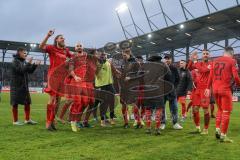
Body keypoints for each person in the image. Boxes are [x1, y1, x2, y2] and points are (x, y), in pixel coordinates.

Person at [205, 47, 240, 143]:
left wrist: (208, 88)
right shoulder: (232, 61)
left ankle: (217, 129)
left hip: (215, 90)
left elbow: (211, 75)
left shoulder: (214, 61)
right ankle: (223, 135)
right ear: (231, 53)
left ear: (223, 52)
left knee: (220, 110)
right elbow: (236, 76)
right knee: (226, 112)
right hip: (225, 89)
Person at [39, 30, 72, 131]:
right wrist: (47, 36)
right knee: (52, 99)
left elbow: (73, 58)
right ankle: (48, 122)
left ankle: (52, 121)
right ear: (56, 40)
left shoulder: (65, 50)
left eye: (63, 38)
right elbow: (41, 46)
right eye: (61, 38)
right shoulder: (51, 48)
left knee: (58, 100)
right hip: (53, 76)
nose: (63, 39)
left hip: (62, 77)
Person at [10, 47, 40, 125]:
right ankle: (15, 121)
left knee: (27, 102)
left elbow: (29, 71)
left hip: (24, 86)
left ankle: (27, 119)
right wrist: (28, 63)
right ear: (19, 53)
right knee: (15, 103)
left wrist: (35, 65)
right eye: (24, 53)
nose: (25, 54)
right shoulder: (15, 61)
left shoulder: (23, 62)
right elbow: (21, 70)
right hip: (16, 86)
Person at [144, 55, 171, 135]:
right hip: (159, 90)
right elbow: (169, 77)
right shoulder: (163, 65)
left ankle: (148, 128)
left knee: (148, 109)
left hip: (148, 90)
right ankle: (157, 128)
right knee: (159, 109)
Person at [188, 50, 212, 135]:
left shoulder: (211, 64)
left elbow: (203, 70)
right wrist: (192, 58)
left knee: (205, 109)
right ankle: (197, 128)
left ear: (209, 55)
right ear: (202, 55)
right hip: (197, 89)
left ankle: (205, 129)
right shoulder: (199, 63)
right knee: (195, 109)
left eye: (207, 54)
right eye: (204, 54)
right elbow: (189, 68)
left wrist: (195, 61)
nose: (205, 55)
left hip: (205, 89)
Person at [95, 51, 121, 127]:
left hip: (109, 84)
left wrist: (116, 71)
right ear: (99, 56)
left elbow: (113, 68)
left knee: (112, 102)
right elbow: (96, 73)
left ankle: (112, 118)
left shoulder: (109, 62)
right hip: (100, 85)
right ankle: (102, 120)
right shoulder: (96, 63)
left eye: (104, 55)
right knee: (103, 103)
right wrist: (100, 64)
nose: (103, 56)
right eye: (101, 55)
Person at [119, 48, 142, 129]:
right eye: (122, 55)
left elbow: (140, 74)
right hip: (124, 87)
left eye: (124, 55)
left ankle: (139, 122)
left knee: (134, 105)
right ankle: (126, 123)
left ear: (129, 54)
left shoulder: (135, 62)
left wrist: (130, 77)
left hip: (133, 87)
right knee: (123, 105)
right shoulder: (123, 62)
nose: (123, 56)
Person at [161, 54, 183, 130]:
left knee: (174, 108)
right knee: (161, 108)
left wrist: (174, 87)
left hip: (172, 91)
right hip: (162, 91)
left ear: (171, 60)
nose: (167, 60)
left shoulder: (174, 68)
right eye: (165, 59)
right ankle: (162, 123)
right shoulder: (161, 68)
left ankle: (175, 123)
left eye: (168, 59)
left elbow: (178, 79)